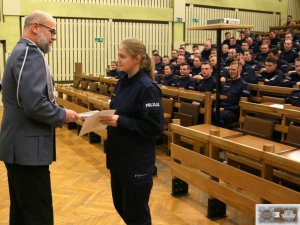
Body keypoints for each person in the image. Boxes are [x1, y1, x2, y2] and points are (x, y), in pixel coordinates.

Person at [0, 10, 79, 225]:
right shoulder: (30, 53)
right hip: (27, 151)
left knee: (22, 213)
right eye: (52, 31)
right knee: (38, 216)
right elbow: (34, 104)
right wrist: (63, 114)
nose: (54, 37)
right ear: (36, 27)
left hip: (18, 147)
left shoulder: (18, 51)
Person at [100, 38, 164, 225]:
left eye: (122, 56)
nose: (118, 60)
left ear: (137, 59)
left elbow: (154, 126)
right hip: (119, 159)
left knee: (137, 217)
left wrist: (120, 121)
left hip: (136, 163)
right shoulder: (122, 83)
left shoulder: (147, 88)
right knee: (123, 208)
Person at [213, 61, 250, 127]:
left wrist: (225, 109)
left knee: (220, 115)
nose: (231, 71)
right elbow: (219, 96)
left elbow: (241, 105)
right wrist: (217, 106)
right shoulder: (227, 83)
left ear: (240, 70)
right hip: (222, 109)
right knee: (208, 111)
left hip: (233, 112)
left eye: (233, 70)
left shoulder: (244, 85)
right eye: (229, 69)